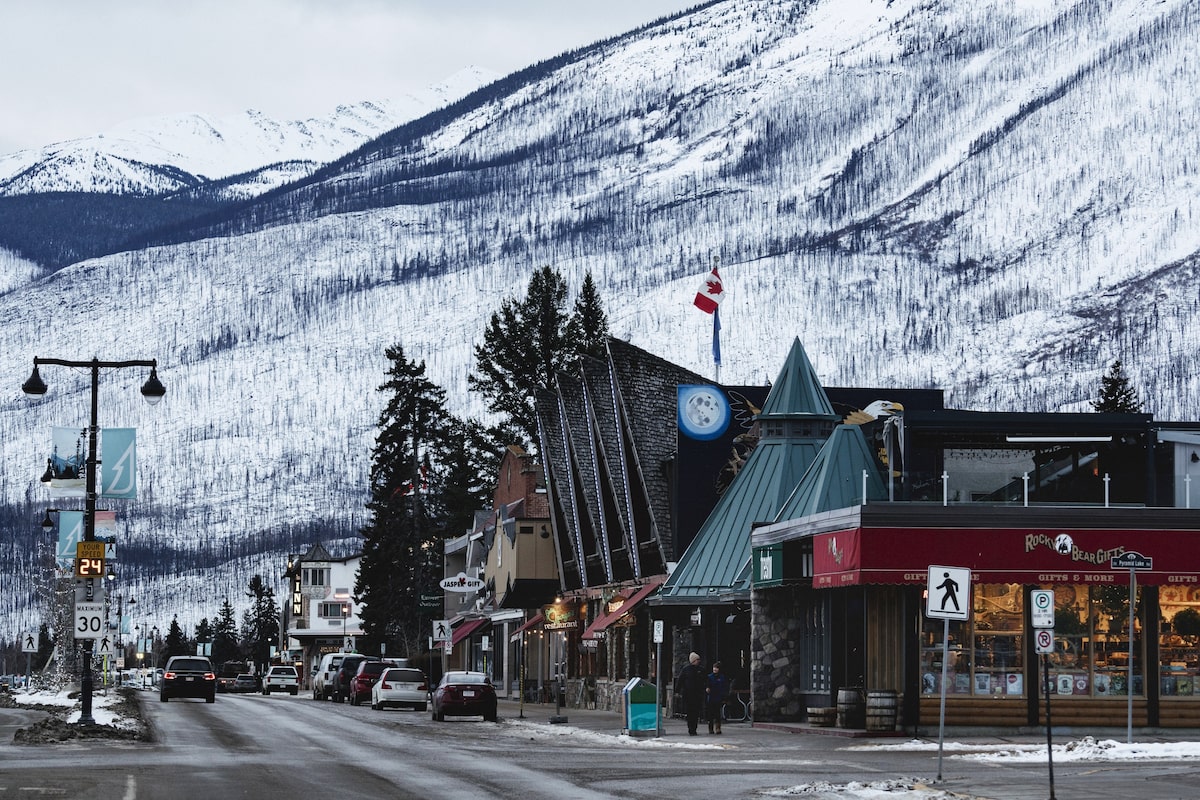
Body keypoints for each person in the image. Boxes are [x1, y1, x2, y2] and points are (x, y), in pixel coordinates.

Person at [676, 652, 706, 735]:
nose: (698, 661)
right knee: (690, 712)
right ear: (693, 660)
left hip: (698, 694)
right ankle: (691, 728)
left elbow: (705, 680)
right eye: (697, 660)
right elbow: (680, 680)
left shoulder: (701, 670)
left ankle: (694, 728)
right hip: (688, 694)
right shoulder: (686, 670)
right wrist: (677, 691)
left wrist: (706, 687)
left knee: (696, 712)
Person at [705, 661, 731, 734]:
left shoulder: (722, 677)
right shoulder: (709, 677)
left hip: (718, 696)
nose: (715, 669)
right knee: (710, 714)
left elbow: (724, 686)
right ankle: (710, 728)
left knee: (717, 713)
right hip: (711, 696)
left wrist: (724, 696)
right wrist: (707, 688)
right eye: (714, 668)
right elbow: (707, 685)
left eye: (716, 668)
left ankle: (718, 727)